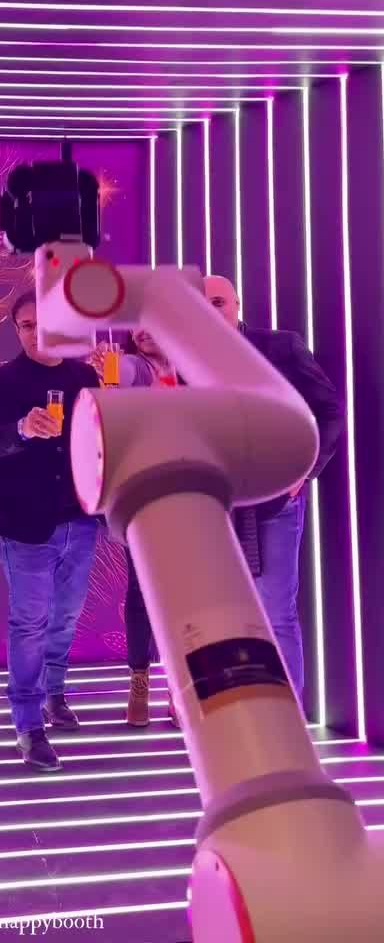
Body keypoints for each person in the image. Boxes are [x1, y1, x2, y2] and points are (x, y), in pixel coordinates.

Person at [203, 275, 345, 700]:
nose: (211, 310)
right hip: (217, 502)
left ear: (237, 304)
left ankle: (290, 716)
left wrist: (306, 471)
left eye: (218, 302)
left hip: (276, 499)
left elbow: (330, 410)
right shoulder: (188, 358)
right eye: (202, 304)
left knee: (275, 611)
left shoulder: (280, 347)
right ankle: (244, 711)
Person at [0, 291, 100, 772]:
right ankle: (28, 723)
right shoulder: (4, 378)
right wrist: (23, 429)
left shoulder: (85, 376)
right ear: (17, 330)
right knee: (29, 623)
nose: (35, 333)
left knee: (66, 616)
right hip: (25, 522)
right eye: (26, 326)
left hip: (79, 518)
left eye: (42, 323)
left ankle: (54, 694)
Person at [92, 331, 179, 729]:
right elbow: (117, 382)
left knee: (184, 596)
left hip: (189, 489)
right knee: (142, 591)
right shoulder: (131, 366)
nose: (143, 331)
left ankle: (179, 687)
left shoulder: (191, 368)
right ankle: (139, 683)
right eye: (137, 325)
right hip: (140, 491)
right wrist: (106, 380)